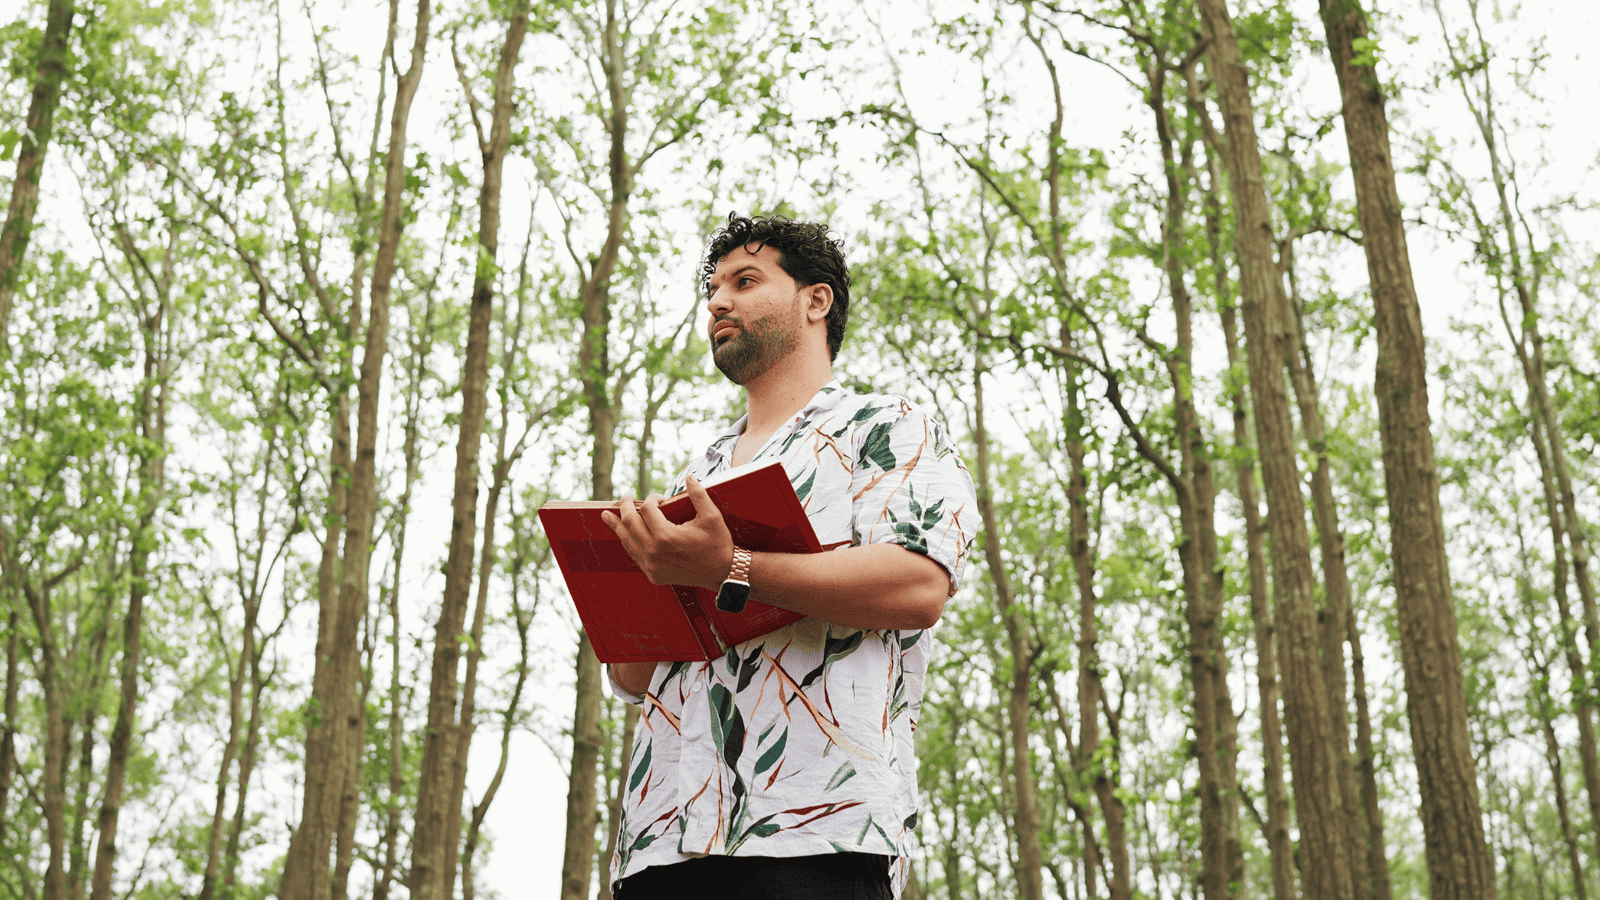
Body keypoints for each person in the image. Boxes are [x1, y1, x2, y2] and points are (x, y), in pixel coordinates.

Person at [600, 213, 978, 899]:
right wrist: (631, 585)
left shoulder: (887, 428)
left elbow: (916, 584)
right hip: (661, 843)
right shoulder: (695, 475)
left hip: (816, 835)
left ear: (816, 300)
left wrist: (731, 568)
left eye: (745, 281)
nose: (718, 302)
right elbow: (634, 674)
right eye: (712, 290)